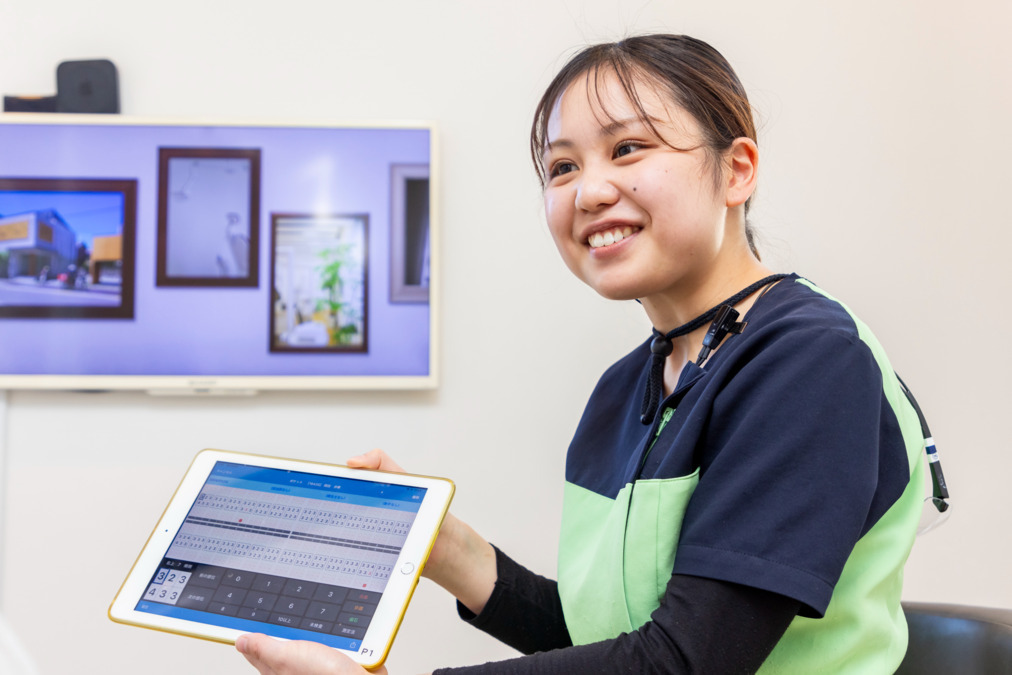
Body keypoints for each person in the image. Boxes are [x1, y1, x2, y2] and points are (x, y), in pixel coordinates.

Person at [237, 34, 925, 674]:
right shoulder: (628, 386)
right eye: (562, 166)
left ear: (736, 169)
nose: (589, 191)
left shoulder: (809, 361)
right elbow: (610, 643)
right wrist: (444, 546)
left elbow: (684, 659)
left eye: (628, 149)